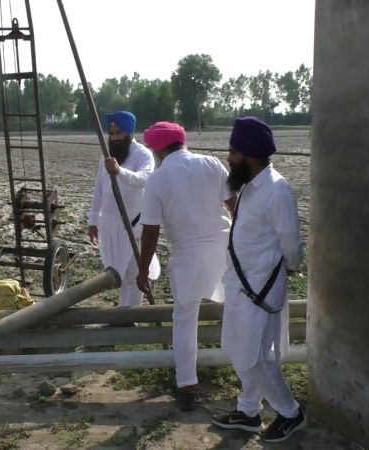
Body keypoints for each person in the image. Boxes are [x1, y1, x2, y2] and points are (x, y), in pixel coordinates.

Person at [211, 116, 305, 442]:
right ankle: (249, 411)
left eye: (232, 152)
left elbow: (292, 244)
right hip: (240, 287)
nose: (228, 158)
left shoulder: (277, 191)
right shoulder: (250, 187)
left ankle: (291, 412)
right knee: (239, 351)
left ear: (248, 153)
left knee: (259, 359)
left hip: (261, 292)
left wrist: (284, 271)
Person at [135, 121, 234, 411]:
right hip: (224, 248)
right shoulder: (213, 164)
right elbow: (234, 205)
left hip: (187, 255)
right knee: (238, 311)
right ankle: (251, 374)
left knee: (185, 319)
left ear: (159, 149)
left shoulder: (158, 178)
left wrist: (143, 270)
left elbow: (150, 230)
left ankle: (187, 385)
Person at [87, 111, 159, 308]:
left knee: (134, 273)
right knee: (119, 273)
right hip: (110, 226)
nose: (115, 138)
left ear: (128, 132)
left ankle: (130, 316)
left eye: (119, 133)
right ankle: (123, 313)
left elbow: (145, 179)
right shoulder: (106, 156)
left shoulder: (143, 155)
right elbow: (99, 189)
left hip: (132, 224)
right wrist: (93, 220)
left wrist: (120, 171)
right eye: (112, 133)